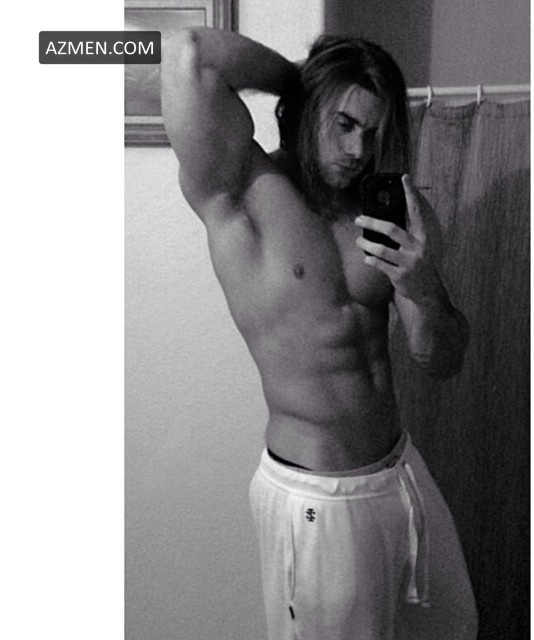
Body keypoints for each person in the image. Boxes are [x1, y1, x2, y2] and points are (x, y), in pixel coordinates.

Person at [162, 28, 478, 640]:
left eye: (374, 133)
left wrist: (420, 285)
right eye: (344, 124)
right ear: (309, 111)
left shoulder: (387, 214)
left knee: (456, 626)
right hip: (318, 497)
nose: (360, 150)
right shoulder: (243, 191)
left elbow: (441, 359)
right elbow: (187, 55)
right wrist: (300, 82)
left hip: (400, 472)